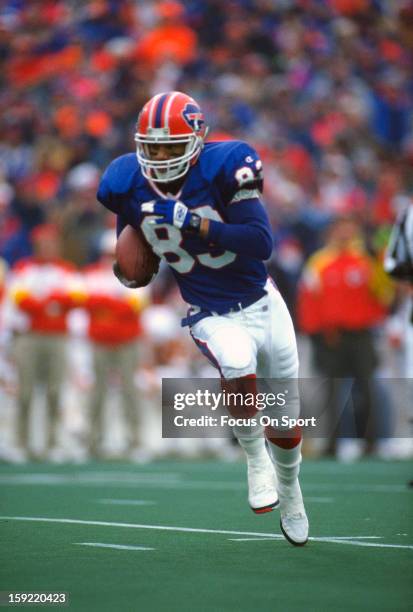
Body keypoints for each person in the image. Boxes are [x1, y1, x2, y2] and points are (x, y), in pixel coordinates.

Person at [97, 91, 308, 546]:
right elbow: (132, 238)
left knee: (287, 419)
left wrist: (194, 223)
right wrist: (133, 268)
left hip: (262, 302)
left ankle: (291, 492)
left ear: (197, 140)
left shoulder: (229, 163)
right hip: (208, 310)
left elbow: (260, 242)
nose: (160, 157)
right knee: (235, 363)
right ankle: (254, 460)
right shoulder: (122, 179)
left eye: (171, 146)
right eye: (151, 147)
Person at [297, 215, 394, 459]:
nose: (345, 234)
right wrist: (315, 332)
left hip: (361, 335)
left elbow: (383, 294)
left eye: (349, 229)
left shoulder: (367, 261)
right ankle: (331, 445)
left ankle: (370, 443)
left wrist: (380, 262)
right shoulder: (319, 262)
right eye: (341, 229)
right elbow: (308, 299)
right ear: (332, 232)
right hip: (331, 337)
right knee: (331, 392)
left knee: (367, 389)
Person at [5, 223, 81, 461]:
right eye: (43, 243)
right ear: (36, 245)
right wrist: (51, 305)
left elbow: (75, 299)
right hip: (30, 336)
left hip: (57, 337)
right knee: (25, 391)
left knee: (55, 391)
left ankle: (52, 442)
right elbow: (19, 301)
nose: (48, 247)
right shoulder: (23, 269)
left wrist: (43, 304)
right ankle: (21, 442)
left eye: (51, 243)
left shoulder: (67, 270)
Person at [82, 229, 148, 458]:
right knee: (97, 392)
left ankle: (135, 441)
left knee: (130, 391)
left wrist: (104, 306)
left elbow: (134, 307)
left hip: (127, 342)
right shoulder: (91, 275)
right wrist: (112, 304)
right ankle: (93, 441)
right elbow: (86, 303)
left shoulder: (137, 272)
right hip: (100, 341)